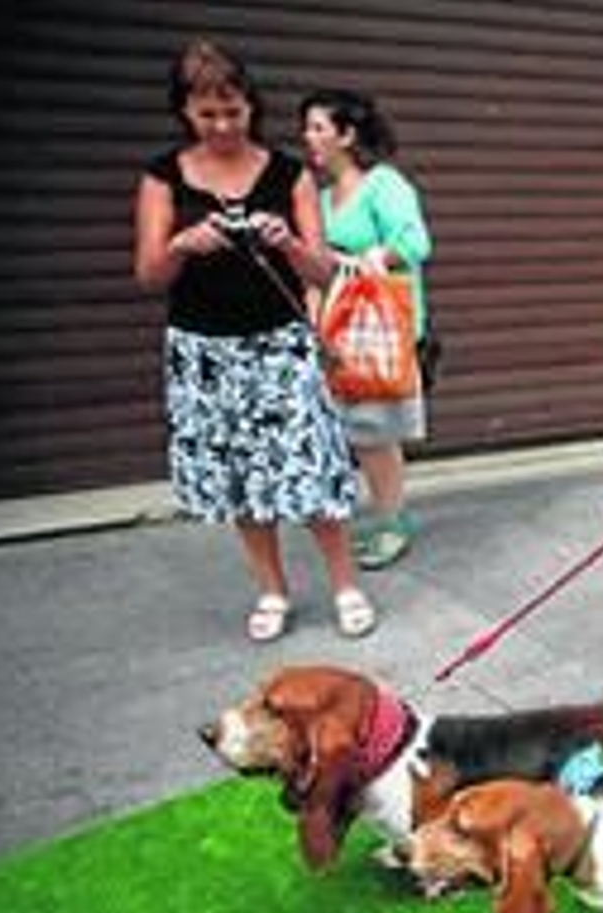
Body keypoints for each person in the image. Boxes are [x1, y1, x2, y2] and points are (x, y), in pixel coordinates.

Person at [134, 40, 376, 642]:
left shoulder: (289, 173)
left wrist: (287, 242)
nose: (222, 125)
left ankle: (346, 585)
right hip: (203, 353)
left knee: (311, 467)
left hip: (280, 344)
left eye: (233, 111)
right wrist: (182, 244)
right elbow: (149, 276)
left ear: (252, 106)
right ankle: (272, 590)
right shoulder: (163, 176)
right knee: (238, 478)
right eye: (206, 114)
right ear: (184, 111)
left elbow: (324, 273)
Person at [299, 88, 435, 570]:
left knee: (375, 433)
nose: (307, 137)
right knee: (357, 432)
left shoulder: (384, 185)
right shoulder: (320, 198)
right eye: (306, 127)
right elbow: (314, 267)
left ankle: (393, 524)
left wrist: (372, 259)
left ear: (347, 135)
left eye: (318, 127)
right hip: (336, 329)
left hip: (380, 330)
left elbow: (415, 243)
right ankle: (384, 515)